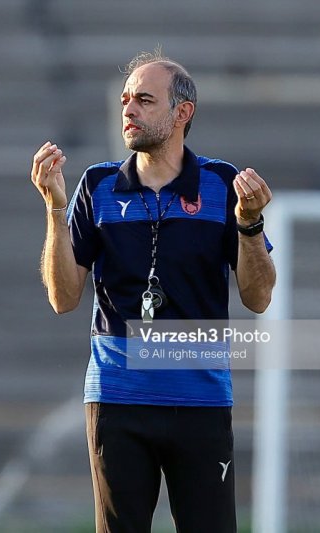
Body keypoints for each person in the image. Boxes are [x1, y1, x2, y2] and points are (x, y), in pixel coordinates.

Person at [30, 50, 276, 533]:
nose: (129, 110)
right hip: (118, 398)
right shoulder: (97, 186)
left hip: (200, 400)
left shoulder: (222, 184)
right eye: (126, 100)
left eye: (144, 99)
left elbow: (259, 297)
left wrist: (249, 226)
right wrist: (55, 212)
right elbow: (62, 298)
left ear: (182, 113)